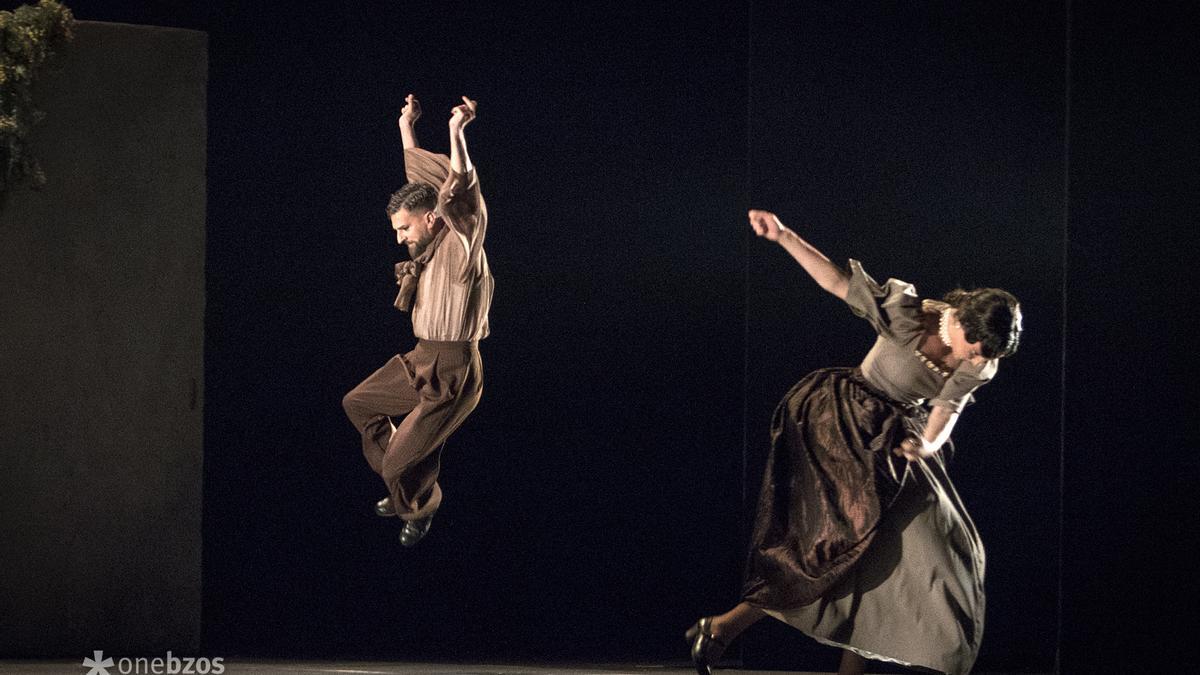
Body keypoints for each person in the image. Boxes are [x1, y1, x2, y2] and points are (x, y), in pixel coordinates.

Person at [686, 210, 1022, 675]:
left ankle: (841, 663)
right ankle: (725, 628)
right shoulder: (910, 315)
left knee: (942, 543)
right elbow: (837, 283)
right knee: (828, 544)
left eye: (986, 356)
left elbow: (947, 408)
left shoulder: (982, 360)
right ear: (961, 319)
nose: (975, 358)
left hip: (901, 441)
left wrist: (927, 445)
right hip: (841, 423)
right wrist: (784, 236)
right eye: (974, 347)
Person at [342, 94, 493, 547]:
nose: (399, 237)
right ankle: (405, 477)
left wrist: (456, 133)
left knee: (397, 466)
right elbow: (421, 176)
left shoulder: (462, 245)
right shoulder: (427, 247)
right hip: (420, 358)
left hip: (452, 372)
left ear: (433, 219)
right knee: (358, 404)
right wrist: (407, 126)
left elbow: (461, 189)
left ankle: (420, 503)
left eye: (404, 228)